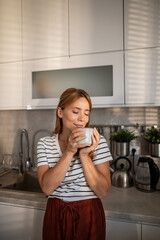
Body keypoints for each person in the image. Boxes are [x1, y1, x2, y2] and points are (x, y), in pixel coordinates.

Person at [37, 88, 112, 240]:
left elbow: (102, 191)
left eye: (86, 112)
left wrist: (84, 155)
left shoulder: (98, 142)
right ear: (60, 112)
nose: (82, 119)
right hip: (55, 214)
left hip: (89, 214)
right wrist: (69, 152)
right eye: (76, 111)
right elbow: (46, 188)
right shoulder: (44, 143)